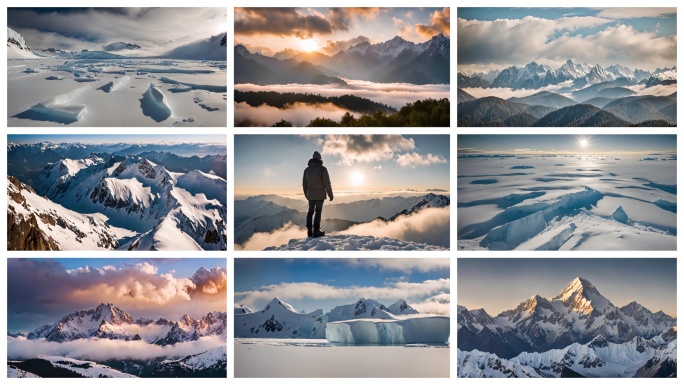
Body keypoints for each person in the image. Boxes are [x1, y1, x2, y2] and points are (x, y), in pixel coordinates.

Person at [302, 151, 334, 238]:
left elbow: (304, 184)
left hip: (310, 195)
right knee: (318, 211)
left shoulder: (306, 170)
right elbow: (327, 183)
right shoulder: (322, 169)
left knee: (310, 211)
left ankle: (309, 231)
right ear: (320, 159)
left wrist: (307, 194)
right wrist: (330, 194)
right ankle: (316, 231)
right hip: (320, 195)